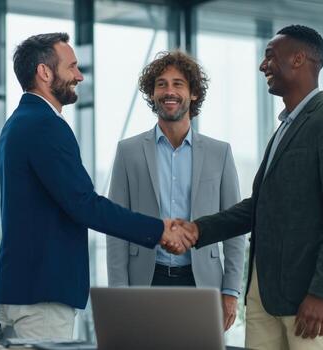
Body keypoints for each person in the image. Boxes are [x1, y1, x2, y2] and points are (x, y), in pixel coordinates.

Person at [173, 25, 323, 349]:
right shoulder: (283, 131)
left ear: (299, 59)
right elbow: (258, 207)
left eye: (270, 57)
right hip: (263, 297)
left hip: (309, 299)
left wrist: (322, 293)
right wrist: (197, 230)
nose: (263, 66)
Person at [0, 33, 195, 339]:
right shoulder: (45, 125)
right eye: (72, 66)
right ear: (45, 72)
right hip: (43, 296)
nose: (79, 75)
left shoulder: (18, 122)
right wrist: (159, 229)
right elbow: (84, 205)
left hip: (22, 289)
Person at [105, 50, 246, 331]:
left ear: (193, 93)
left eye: (178, 83)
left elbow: (234, 228)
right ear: (152, 94)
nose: (169, 91)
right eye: (161, 84)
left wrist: (230, 291)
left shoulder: (220, 153)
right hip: (145, 279)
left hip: (203, 282)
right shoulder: (128, 151)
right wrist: (119, 291)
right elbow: (115, 226)